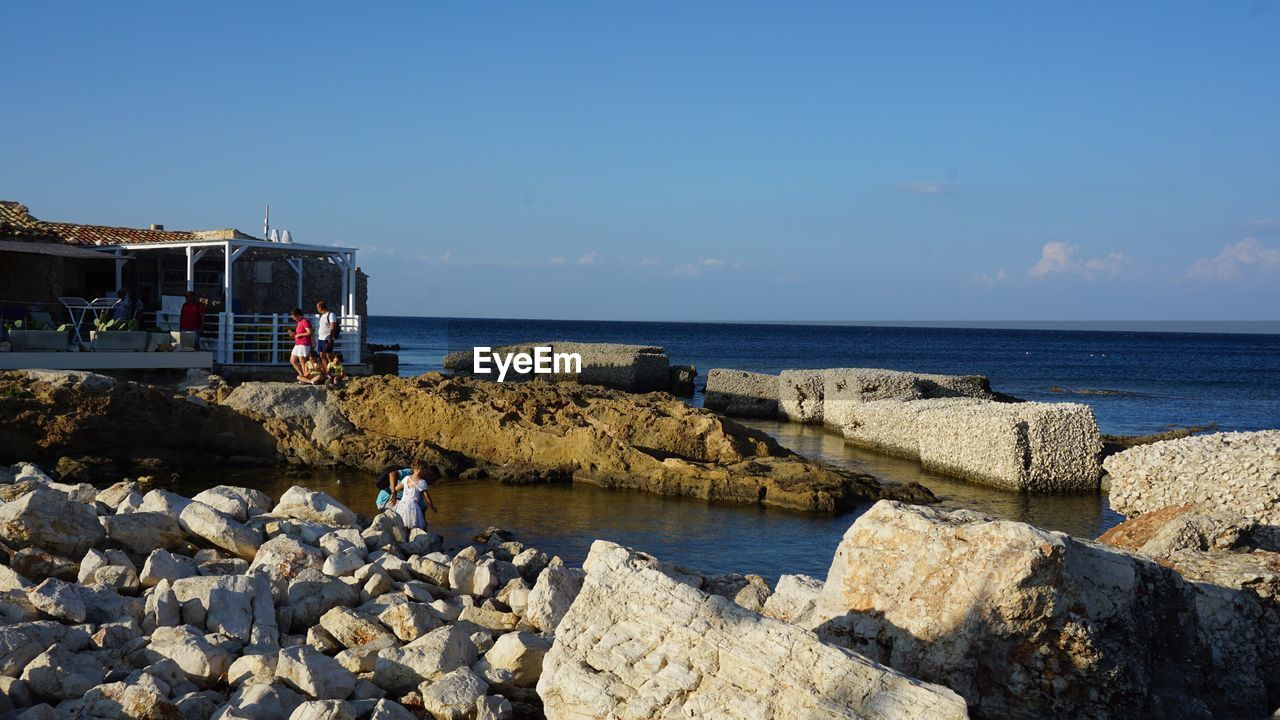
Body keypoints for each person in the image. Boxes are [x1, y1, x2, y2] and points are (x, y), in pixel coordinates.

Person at [315, 300, 338, 378]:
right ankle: (327, 372)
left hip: (327, 338)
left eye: (317, 308)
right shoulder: (322, 315)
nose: (317, 309)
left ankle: (333, 373)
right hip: (321, 338)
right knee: (322, 355)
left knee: (329, 356)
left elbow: (333, 327)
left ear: (320, 307)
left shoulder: (331, 315)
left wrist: (330, 339)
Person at [288, 308, 313, 378]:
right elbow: (300, 332)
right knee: (292, 360)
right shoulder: (299, 322)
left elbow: (310, 332)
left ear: (298, 315)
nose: (293, 319)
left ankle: (305, 376)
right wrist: (294, 334)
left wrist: (299, 335)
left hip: (304, 343)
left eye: (294, 317)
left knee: (302, 360)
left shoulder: (305, 321)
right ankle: (302, 375)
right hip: (298, 343)